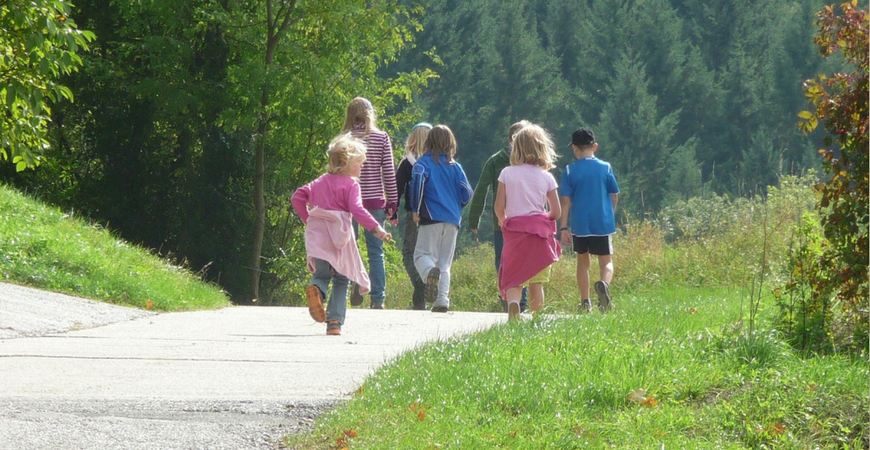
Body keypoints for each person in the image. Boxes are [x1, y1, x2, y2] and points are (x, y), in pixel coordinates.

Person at [291, 133, 392, 336]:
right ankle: (334, 322)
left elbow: (297, 198)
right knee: (341, 279)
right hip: (340, 238)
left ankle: (317, 292)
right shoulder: (351, 184)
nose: (362, 168)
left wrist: (309, 220)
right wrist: (376, 228)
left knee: (320, 275)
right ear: (346, 162)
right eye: (360, 163)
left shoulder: (318, 182)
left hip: (318, 237)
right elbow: (357, 209)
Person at [494, 123, 561, 320]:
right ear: (542, 148)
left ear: (516, 148)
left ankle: (514, 305)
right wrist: (542, 220)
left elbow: (499, 207)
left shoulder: (507, 173)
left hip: (515, 232)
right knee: (536, 282)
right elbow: (555, 212)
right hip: (538, 234)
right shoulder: (547, 177)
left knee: (514, 278)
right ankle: (537, 318)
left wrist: (504, 221)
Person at [469, 120, 532, 313]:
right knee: (525, 260)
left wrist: (474, 219)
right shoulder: (533, 161)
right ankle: (521, 301)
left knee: (502, 260)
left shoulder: (496, 160)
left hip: (502, 221)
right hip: (526, 222)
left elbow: (481, 190)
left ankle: (508, 295)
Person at [409, 125, 473, 313]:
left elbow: (418, 184)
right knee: (445, 262)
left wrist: (415, 208)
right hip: (452, 219)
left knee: (422, 255)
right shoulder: (456, 167)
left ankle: (429, 273)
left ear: (429, 141)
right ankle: (442, 300)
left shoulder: (423, 164)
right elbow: (467, 193)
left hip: (430, 216)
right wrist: (456, 206)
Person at [342, 97, 398, 309]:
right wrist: (392, 204)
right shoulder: (381, 137)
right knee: (376, 250)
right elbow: (389, 174)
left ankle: (355, 284)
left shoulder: (344, 139)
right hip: (374, 201)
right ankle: (378, 299)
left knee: (350, 247)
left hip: (348, 201)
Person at [558, 128, 619, 313]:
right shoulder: (606, 167)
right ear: (595, 146)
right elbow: (614, 194)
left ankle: (585, 302)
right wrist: (610, 213)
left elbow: (565, 201)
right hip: (603, 222)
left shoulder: (569, 170)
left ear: (575, 148)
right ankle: (604, 285)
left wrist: (563, 228)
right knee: (606, 261)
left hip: (580, 224)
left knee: (583, 263)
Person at [393, 122, 432, 310]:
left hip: (413, 214)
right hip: (435, 215)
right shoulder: (438, 163)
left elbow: (397, 190)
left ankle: (419, 283)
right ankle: (427, 286)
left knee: (409, 252)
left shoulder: (407, 164)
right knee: (428, 254)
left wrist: (392, 212)